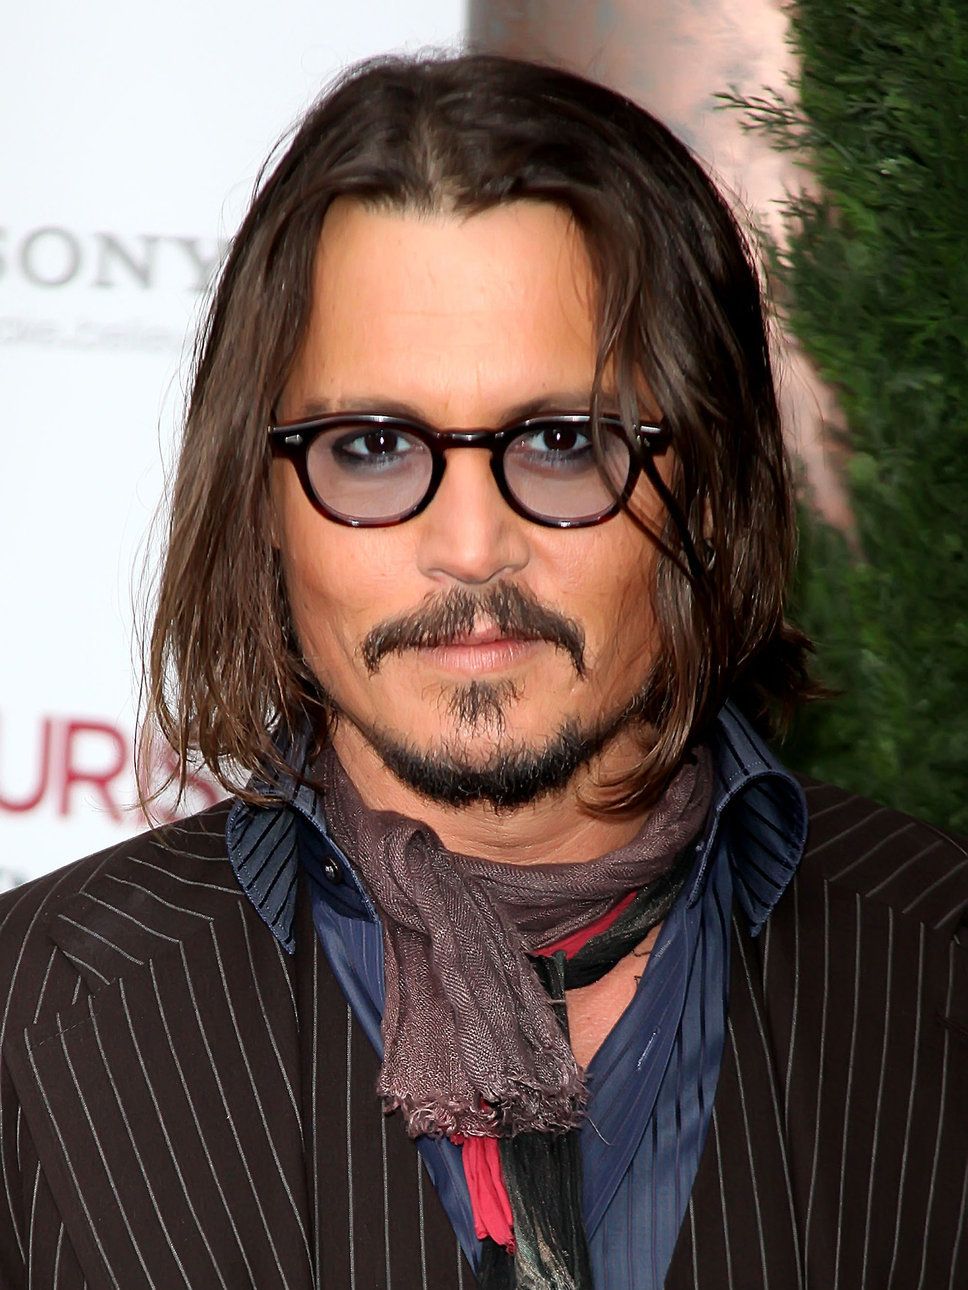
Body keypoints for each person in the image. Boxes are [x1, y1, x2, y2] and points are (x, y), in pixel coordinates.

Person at [1, 53, 965, 1290]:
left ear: (713, 484)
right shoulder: (31, 1015)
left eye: (561, 442)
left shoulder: (938, 956)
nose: (468, 546)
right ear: (261, 504)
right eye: (371, 446)